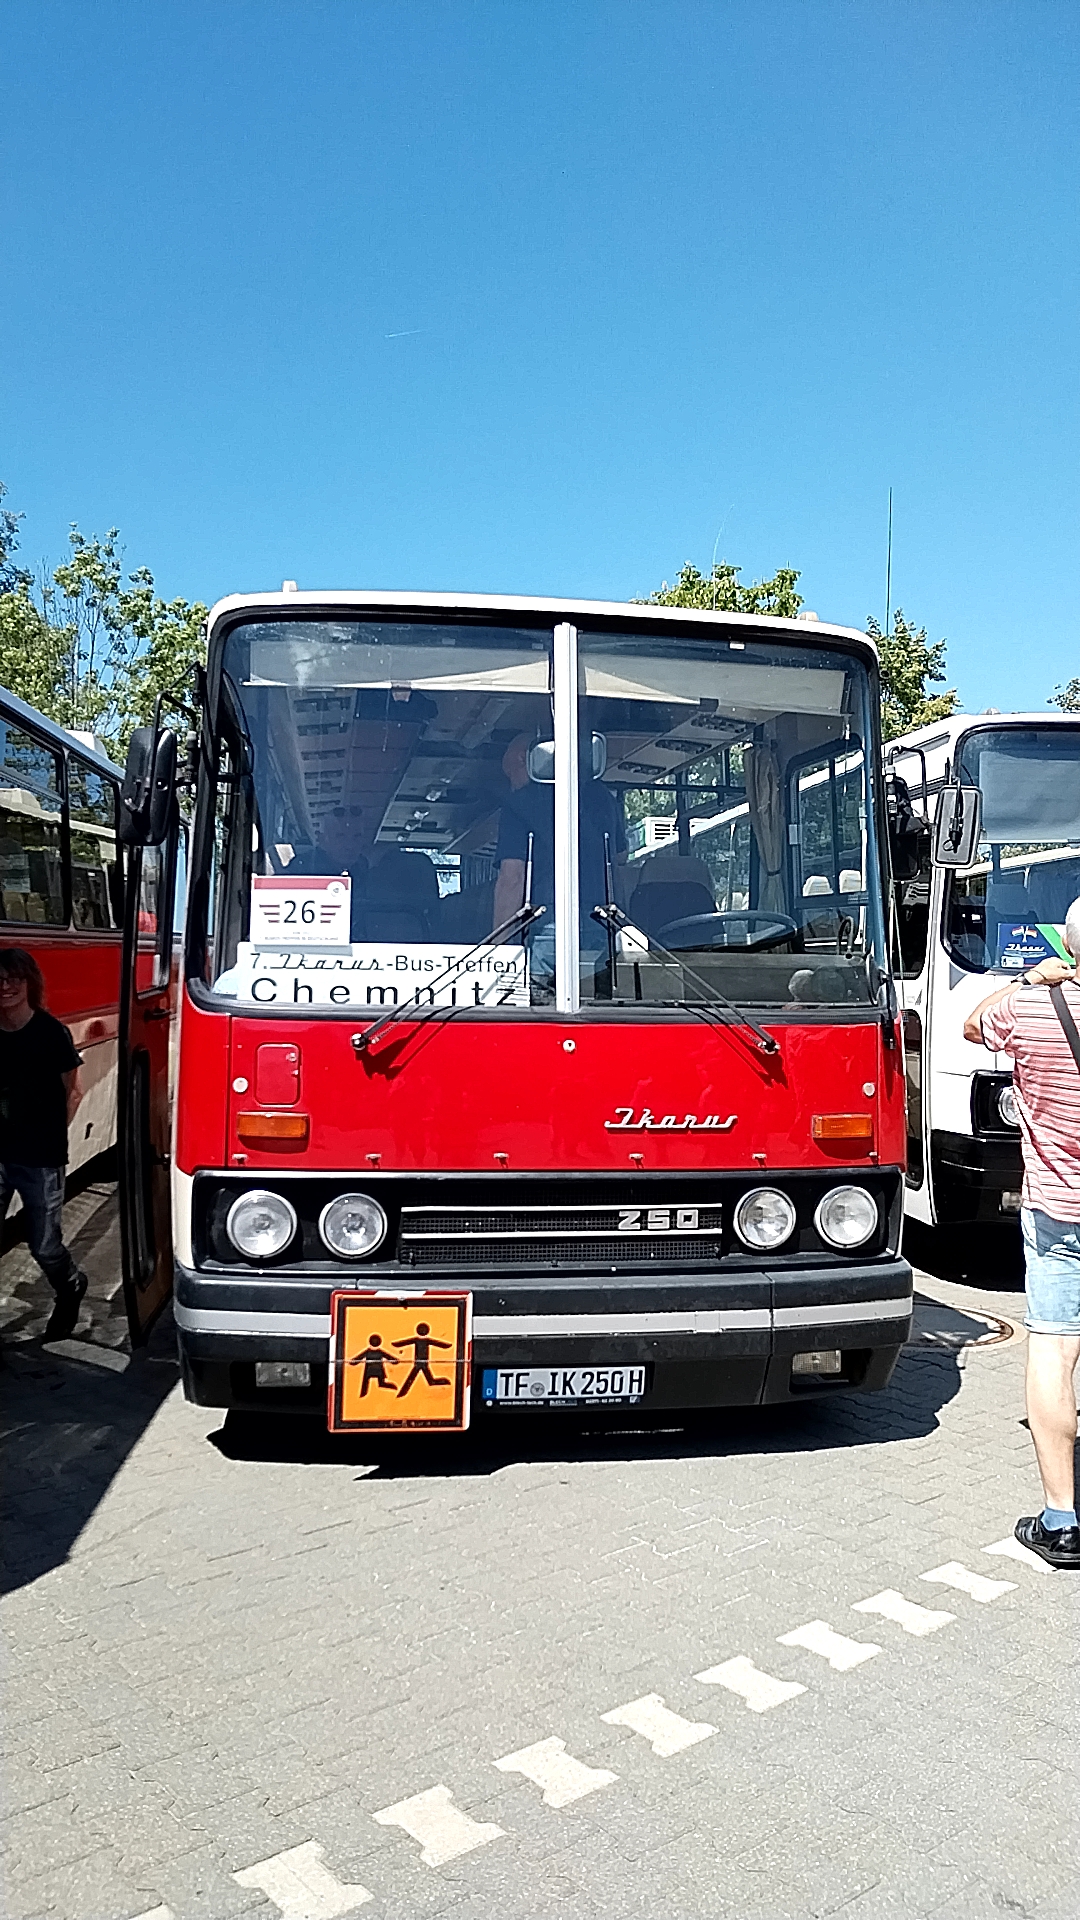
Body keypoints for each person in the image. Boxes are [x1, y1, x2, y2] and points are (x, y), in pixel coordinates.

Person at [965, 898, 1080, 1569]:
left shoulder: (1032, 1009)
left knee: (1054, 1352)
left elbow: (973, 1025)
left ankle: (1062, 1520)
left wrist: (1032, 979)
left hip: (1058, 1210)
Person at [0, 948, 88, 1342]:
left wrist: (50, 1137)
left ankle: (71, 1285)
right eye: (0, 980)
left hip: (40, 1158)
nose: (6, 987)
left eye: (14, 979)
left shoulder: (51, 1033)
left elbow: (73, 1091)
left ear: (29, 983)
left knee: (44, 1245)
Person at [491, 732, 626, 970]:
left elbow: (512, 878)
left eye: (511, 773)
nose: (512, 783)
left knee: (543, 992)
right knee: (597, 990)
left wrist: (497, 950)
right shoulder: (604, 798)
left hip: (549, 924)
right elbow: (618, 862)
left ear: (525, 759)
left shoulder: (518, 804)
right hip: (601, 923)